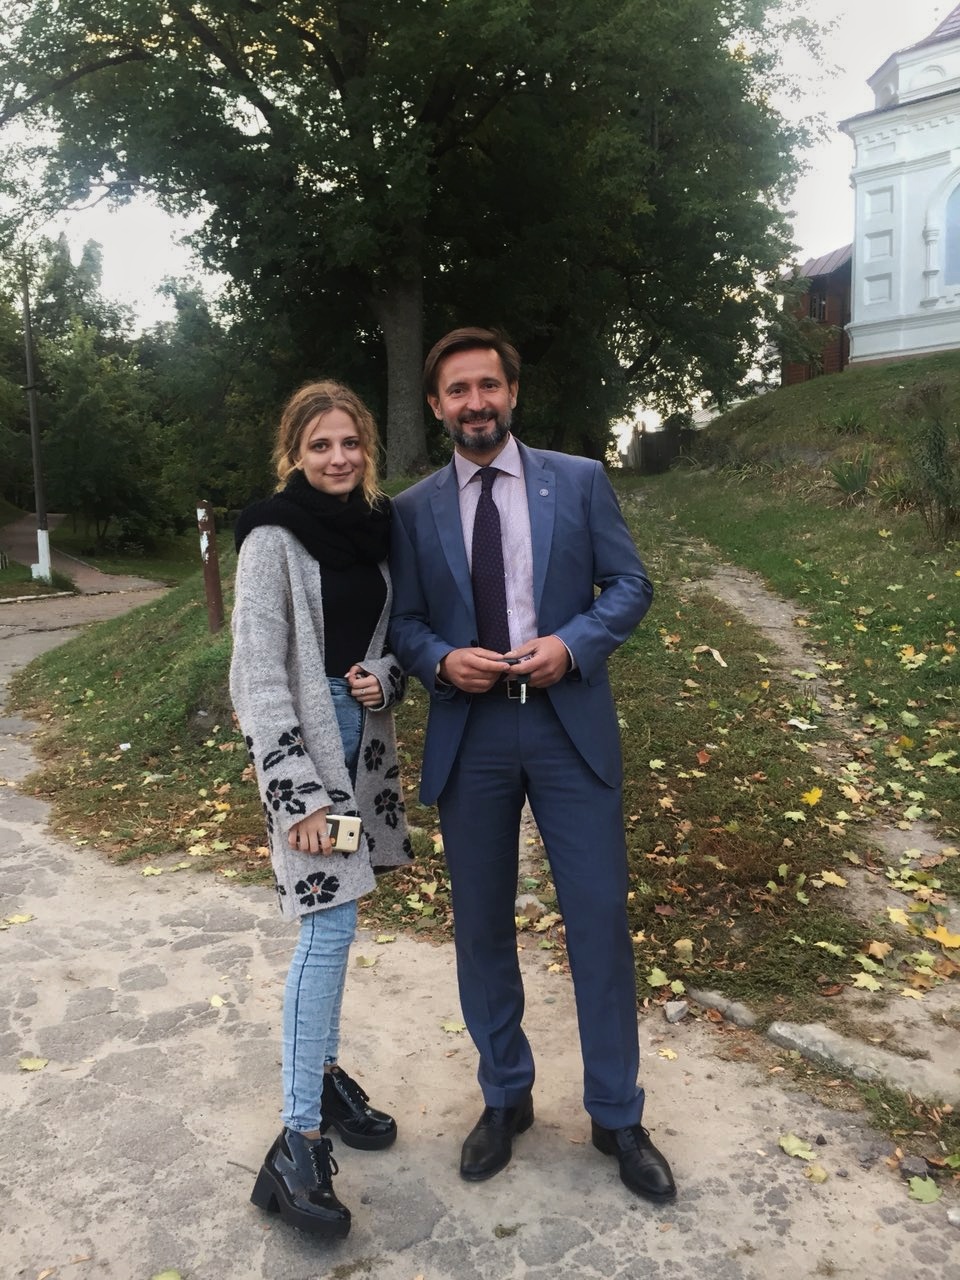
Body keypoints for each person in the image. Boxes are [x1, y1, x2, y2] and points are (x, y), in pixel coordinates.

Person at [389, 327, 675, 1203]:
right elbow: (403, 624)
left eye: (488, 385)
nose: (475, 402)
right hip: (470, 733)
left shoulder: (578, 481)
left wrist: (574, 643)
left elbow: (630, 585)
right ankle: (505, 1096)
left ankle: (616, 1114)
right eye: (458, 390)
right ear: (436, 405)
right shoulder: (412, 509)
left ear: (512, 392)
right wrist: (441, 659)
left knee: (598, 917)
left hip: (565, 726)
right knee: (481, 924)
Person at [230, 379, 412, 1238]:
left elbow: (391, 639)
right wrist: (296, 793)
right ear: (293, 454)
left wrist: (388, 678)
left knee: (344, 919)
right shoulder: (272, 537)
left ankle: (327, 1078)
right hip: (308, 760)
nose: (338, 458)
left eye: (350, 443)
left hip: (361, 750)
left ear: (366, 448)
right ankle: (297, 1142)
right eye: (320, 446)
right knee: (328, 927)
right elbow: (258, 677)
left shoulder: (377, 530)